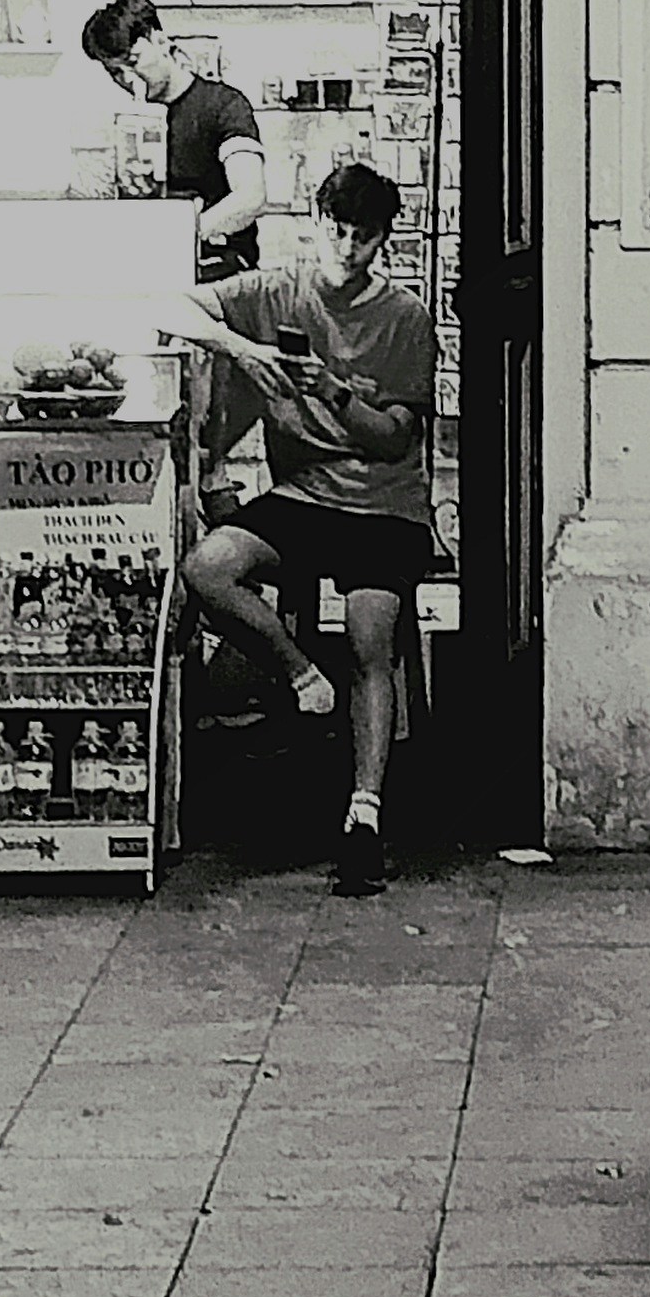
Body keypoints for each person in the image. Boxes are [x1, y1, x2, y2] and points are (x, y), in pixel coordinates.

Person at [174, 162, 439, 895]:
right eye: (337, 231)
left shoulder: (407, 317)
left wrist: (338, 394)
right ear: (317, 224)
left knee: (370, 636)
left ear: (383, 240)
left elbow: (395, 439)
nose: (347, 249)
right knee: (207, 568)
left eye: (363, 237)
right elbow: (171, 305)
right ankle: (300, 677)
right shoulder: (279, 290)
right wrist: (241, 349)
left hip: (385, 505)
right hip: (303, 494)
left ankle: (364, 817)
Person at [82, 0, 275, 284]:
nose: (128, 79)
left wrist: (181, 234)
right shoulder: (128, 123)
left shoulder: (223, 105)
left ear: (160, 40)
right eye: (115, 72)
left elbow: (251, 197)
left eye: (133, 62)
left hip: (221, 274)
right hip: (152, 273)